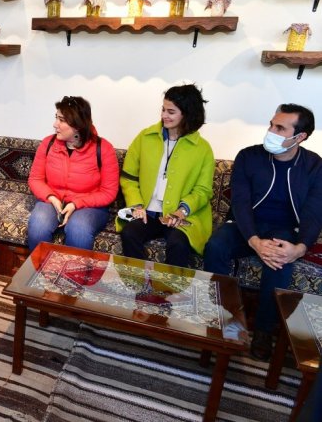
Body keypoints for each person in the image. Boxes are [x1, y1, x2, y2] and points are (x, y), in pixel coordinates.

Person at [203, 104, 322, 361]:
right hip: (245, 225)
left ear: (300, 136)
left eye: (280, 128)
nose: (271, 131)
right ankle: (222, 319)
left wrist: (299, 248)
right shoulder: (249, 156)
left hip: (283, 230)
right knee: (215, 247)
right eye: (271, 125)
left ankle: (264, 331)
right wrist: (254, 241)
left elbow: (314, 211)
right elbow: (240, 203)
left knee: (280, 260)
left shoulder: (314, 165)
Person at [118, 84, 215, 268]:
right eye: (163, 109)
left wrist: (182, 211)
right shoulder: (144, 137)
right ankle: (140, 282)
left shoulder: (203, 149)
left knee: (178, 244)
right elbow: (129, 177)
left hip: (180, 216)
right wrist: (136, 205)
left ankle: (170, 286)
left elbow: (203, 191)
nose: (164, 115)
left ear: (187, 114)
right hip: (147, 212)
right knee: (129, 233)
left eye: (171, 112)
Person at [27, 95, 119, 251]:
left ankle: (73, 269)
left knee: (79, 230)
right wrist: (52, 198)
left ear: (77, 125)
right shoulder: (48, 143)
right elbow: (35, 179)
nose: (55, 124)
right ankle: (40, 267)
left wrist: (76, 204)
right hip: (53, 200)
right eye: (56, 118)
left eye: (61, 120)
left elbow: (109, 192)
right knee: (38, 225)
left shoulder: (103, 148)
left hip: (88, 206)